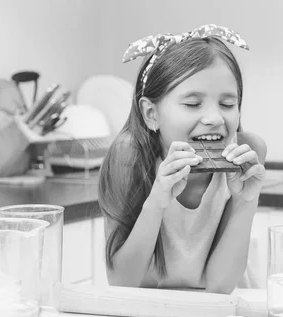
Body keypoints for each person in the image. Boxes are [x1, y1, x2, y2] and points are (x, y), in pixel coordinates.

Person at [98, 24, 266, 294]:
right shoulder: (128, 156)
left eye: (227, 104)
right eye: (192, 104)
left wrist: (246, 200)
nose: (214, 118)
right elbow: (121, 283)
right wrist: (156, 201)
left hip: (221, 315)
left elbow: (219, 286)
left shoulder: (248, 153)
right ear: (151, 114)